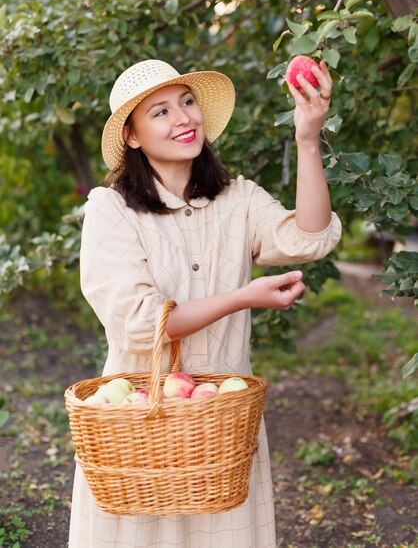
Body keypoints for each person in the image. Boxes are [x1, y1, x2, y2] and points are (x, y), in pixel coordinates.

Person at [68, 58, 342, 548]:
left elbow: (309, 238)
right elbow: (141, 324)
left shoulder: (238, 199)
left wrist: (307, 137)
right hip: (141, 418)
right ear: (131, 136)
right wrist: (243, 298)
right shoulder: (111, 210)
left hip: (222, 425)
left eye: (188, 102)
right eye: (161, 111)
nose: (184, 118)